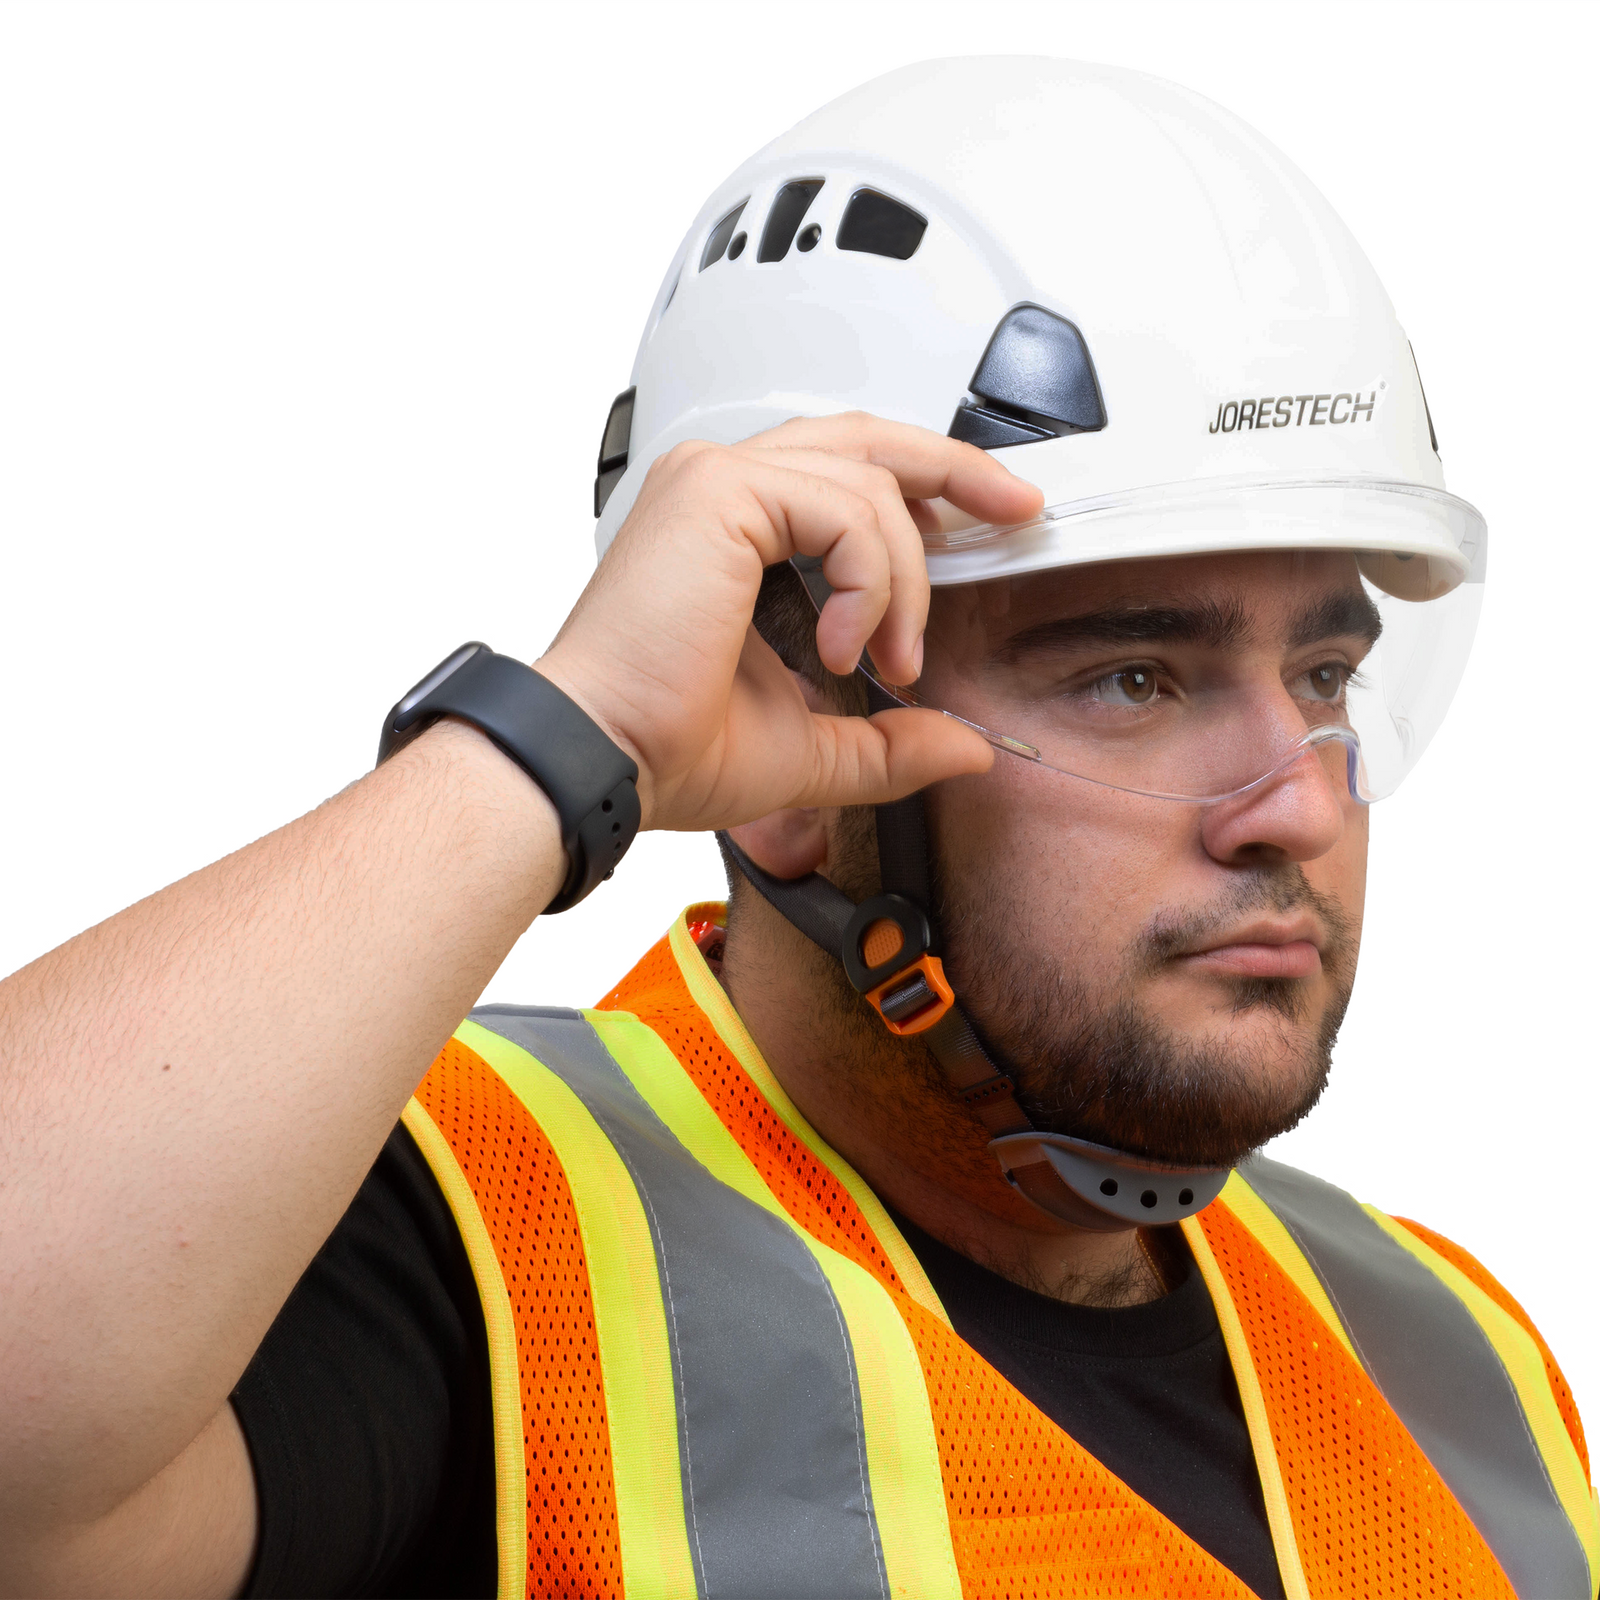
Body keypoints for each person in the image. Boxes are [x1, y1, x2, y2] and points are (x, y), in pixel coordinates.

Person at [0, 54, 1593, 1600]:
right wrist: (570, 739)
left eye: (1324, 675)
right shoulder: (473, 1248)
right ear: (793, 769)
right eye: (1133, 679)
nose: (1301, 801)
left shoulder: (1463, 1363)